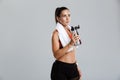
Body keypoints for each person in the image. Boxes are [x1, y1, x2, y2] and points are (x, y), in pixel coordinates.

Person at [51, 7, 82, 80]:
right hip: (60, 69)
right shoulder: (56, 33)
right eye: (64, 16)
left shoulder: (71, 30)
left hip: (73, 67)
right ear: (58, 18)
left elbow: (73, 51)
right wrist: (70, 44)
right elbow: (56, 55)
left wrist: (77, 66)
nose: (67, 18)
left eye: (69, 15)